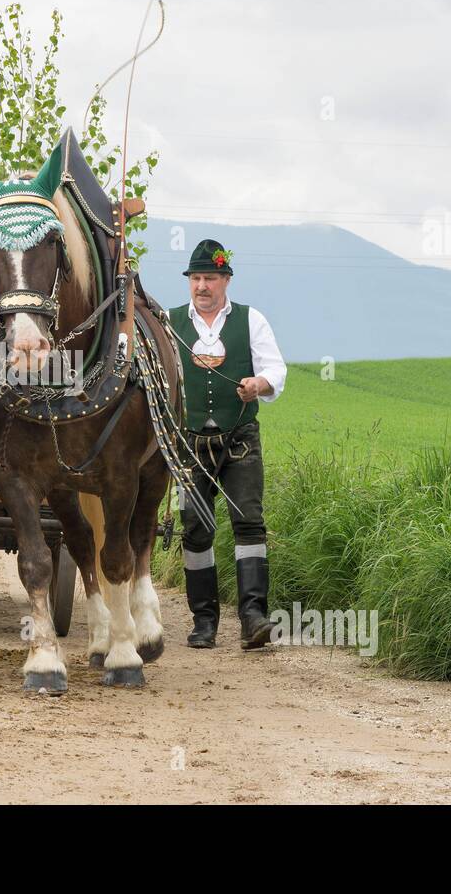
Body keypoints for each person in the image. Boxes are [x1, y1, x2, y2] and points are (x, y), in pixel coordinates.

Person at [169, 239, 287, 650]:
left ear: (226, 280)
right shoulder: (169, 324)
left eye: (210, 278)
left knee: (249, 524)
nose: (201, 286)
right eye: (196, 278)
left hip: (239, 439)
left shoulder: (251, 320)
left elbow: (276, 369)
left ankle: (253, 618)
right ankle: (204, 622)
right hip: (189, 442)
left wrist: (259, 383)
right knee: (195, 531)